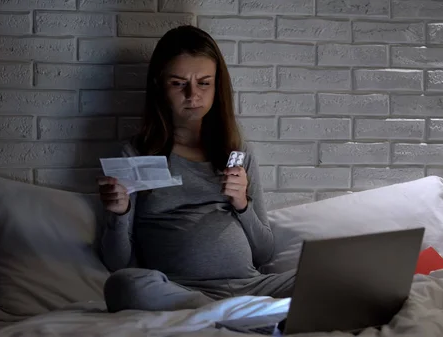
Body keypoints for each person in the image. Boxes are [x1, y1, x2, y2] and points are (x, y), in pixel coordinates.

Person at [96, 25, 295, 313]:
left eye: (204, 83)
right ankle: (226, 312)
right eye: (178, 83)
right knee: (123, 285)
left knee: (328, 278)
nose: (193, 95)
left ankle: (234, 312)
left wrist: (242, 204)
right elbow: (116, 262)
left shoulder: (237, 152)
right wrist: (119, 214)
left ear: (218, 86)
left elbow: (264, 253)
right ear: (159, 85)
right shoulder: (136, 153)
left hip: (249, 285)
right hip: (181, 290)